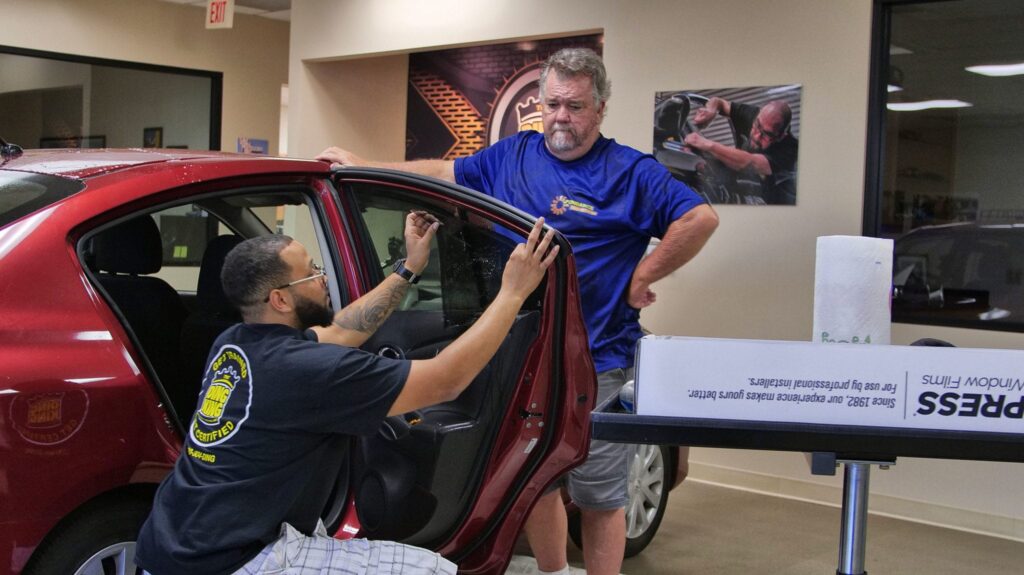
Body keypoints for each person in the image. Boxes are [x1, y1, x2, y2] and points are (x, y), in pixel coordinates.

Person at [318, 47, 718, 575]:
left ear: (599, 109)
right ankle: (553, 572)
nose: (560, 118)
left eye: (574, 107)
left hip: (595, 362)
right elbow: (443, 171)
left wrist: (643, 275)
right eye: (552, 104)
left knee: (599, 497)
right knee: (536, 483)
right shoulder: (513, 155)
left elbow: (699, 218)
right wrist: (365, 165)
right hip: (523, 357)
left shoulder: (630, 172)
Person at [135, 212, 559, 575]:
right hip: (236, 562)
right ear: (281, 299)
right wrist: (513, 292)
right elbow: (447, 380)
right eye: (311, 272)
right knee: (434, 569)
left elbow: (341, 330)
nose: (322, 276)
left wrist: (408, 268)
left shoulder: (234, 342)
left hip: (167, 543)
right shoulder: (309, 371)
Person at [683, 97, 798, 205]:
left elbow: (750, 163)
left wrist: (705, 144)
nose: (757, 136)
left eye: (767, 134)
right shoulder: (752, 114)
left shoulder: (790, 149)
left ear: (781, 136)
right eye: (757, 125)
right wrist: (711, 110)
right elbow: (720, 102)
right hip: (740, 182)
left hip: (767, 202)